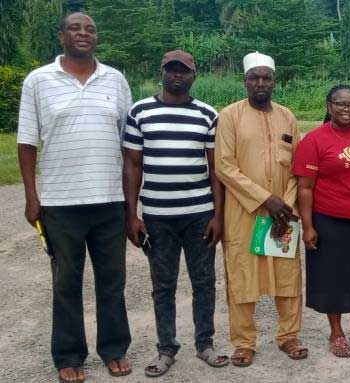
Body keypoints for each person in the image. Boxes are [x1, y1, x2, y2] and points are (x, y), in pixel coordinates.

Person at [16, 12, 133, 383]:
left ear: (96, 37)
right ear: (61, 35)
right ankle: (68, 355)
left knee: (112, 281)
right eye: (75, 28)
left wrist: (132, 204)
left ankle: (114, 349)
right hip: (60, 204)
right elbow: (26, 142)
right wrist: (31, 196)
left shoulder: (114, 79)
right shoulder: (38, 81)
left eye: (90, 29)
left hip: (110, 201)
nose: (83, 33)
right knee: (66, 282)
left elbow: (128, 145)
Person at [122, 50, 229, 377]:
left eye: (184, 71)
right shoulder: (140, 111)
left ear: (194, 75)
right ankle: (166, 348)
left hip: (199, 214)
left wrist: (218, 216)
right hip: (157, 216)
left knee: (204, 282)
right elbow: (132, 166)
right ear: (162, 72)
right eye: (172, 70)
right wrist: (132, 215)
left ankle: (205, 344)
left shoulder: (207, 114)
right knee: (163, 284)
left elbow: (216, 171)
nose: (178, 76)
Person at [215, 51, 308, 367]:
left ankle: (289, 336)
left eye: (266, 77)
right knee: (242, 275)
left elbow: (298, 168)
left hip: (284, 214)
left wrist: (287, 207)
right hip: (245, 212)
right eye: (254, 77)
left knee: (288, 274)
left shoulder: (288, 117)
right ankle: (243, 343)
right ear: (245, 81)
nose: (260, 83)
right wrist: (266, 199)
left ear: (274, 81)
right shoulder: (229, 116)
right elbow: (225, 166)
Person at [293, 84, 350, 358]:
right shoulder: (314, 140)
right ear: (329, 106)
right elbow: (305, 188)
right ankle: (336, 332)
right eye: (341, 104)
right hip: (328, 221)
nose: (347, 109)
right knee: (331, 278)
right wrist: (308, 226)